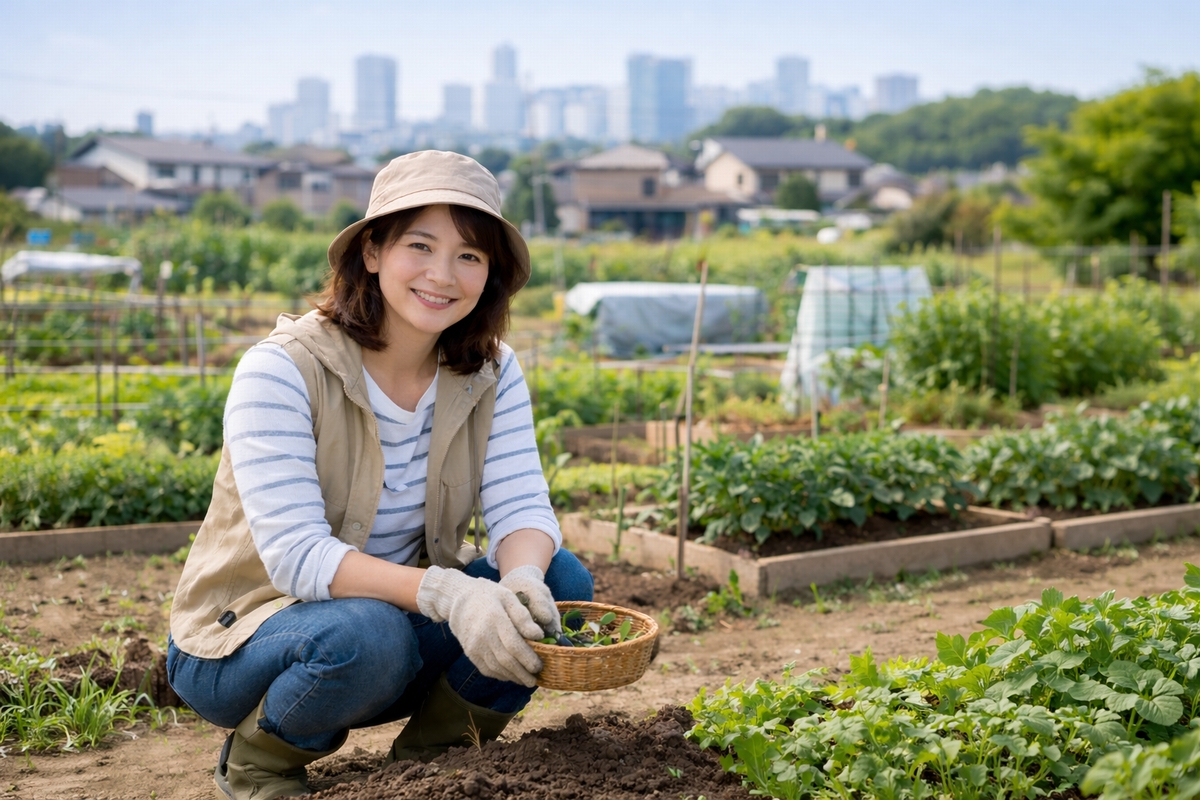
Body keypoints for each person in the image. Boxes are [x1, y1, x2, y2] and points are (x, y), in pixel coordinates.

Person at [166, 150, 594, 800]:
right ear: (371, 251)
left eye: (469, 256)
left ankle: (439, 757)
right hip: (250, 641)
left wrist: (523, 575)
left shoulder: (490, 371)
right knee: (370, 631)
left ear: (491, 274)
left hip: (392, 630)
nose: (442, 275)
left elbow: (521, 506)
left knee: (559, 582)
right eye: (419, 245)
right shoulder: (282, 370)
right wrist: (450, 594)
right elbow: (296, 557)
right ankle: (260, 763)